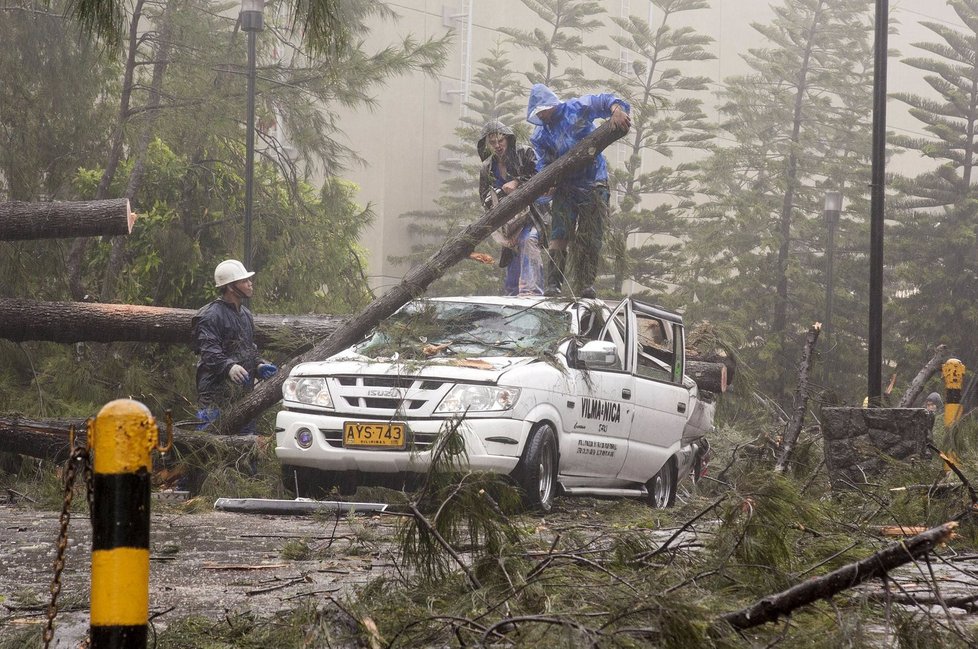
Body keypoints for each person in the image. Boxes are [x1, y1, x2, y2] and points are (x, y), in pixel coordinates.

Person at [526, 83, 631, 298]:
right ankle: (553, 285)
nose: (542, 115)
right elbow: (543, 163)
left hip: (594, 182)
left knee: (590, 236)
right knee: (559, 234)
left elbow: (603, 100)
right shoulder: (541, 134)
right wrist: (548, 181)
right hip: (566, 185)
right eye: (538, 112)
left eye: (543, 110)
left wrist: (617, 110)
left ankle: (586, 284)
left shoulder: (576, 108)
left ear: (551, 104)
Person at [191, 259, 277, 435]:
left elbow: (248, 348)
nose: (250, 284)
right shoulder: (210, 316)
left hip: (242, 398)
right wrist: (228, 367)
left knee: (244, 452)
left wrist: (258, 365)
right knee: (211, 449)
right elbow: (209, 352)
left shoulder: (245, 315)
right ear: (231, 287)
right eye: (245, 281)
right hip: (215, 398)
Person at [477, 119, 545, 296]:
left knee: (527, 241)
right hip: (506, 223)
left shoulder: (524, 153)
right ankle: (512, 296)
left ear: (508, 139)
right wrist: (498, 194)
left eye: (501, 140)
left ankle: (533, 292)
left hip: (532, 215)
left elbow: (540, 176)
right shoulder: (487, 167)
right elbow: (484, 197)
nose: (498, 145)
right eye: (492, 142)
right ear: (487, 145)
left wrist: (517, 182)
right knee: (512, 253)